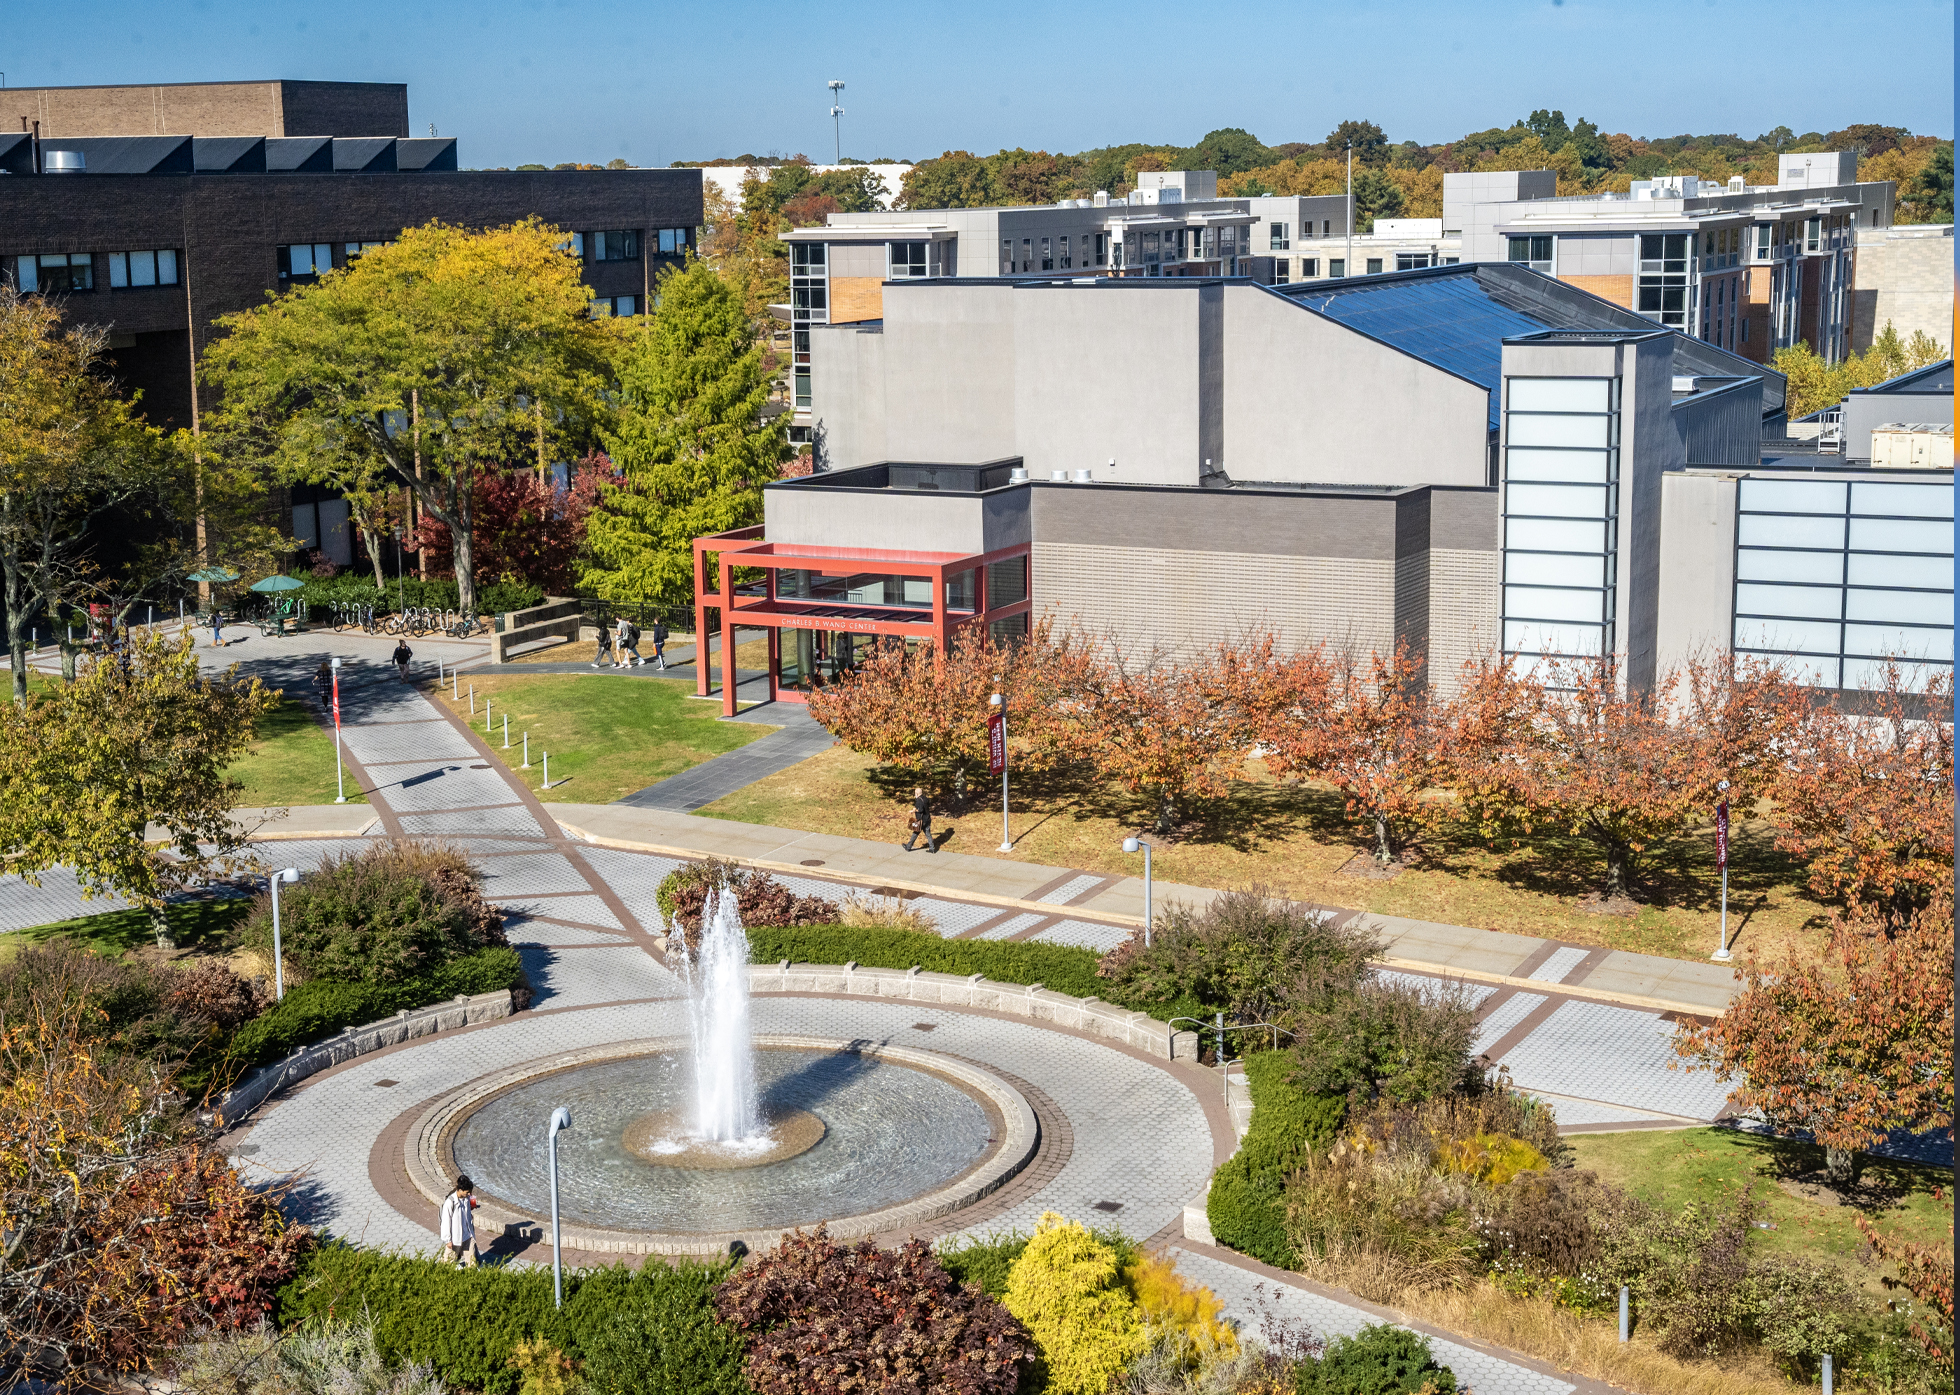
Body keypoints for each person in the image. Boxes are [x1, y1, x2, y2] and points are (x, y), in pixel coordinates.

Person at [438, 1174, 478, 1268]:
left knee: (472, 1262)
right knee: (447, 1262)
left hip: (467, 1236)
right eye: (467, 1192)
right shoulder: (450, 1202)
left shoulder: (466, 1199)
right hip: (455, 1239)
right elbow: (446, 1222)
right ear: (460, 1190)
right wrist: (448, 1240)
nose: (469, 1194)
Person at [901, 786, 937, 853]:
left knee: (915, 833)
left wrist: (913, 810)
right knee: (928, 833)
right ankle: (932, 848)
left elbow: (920, 810)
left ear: (916, 793)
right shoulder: (925, 798)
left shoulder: (918, 801)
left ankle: (908, 847)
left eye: (915, 793)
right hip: (927, 818)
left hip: (921, 820)